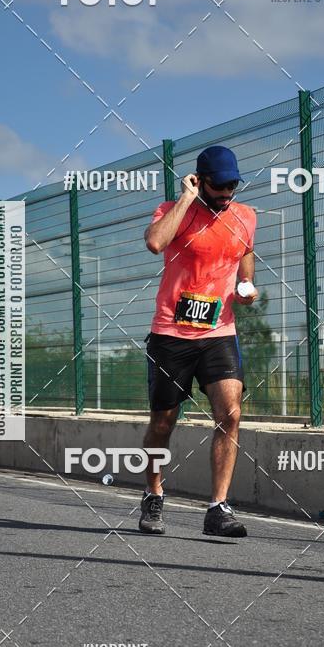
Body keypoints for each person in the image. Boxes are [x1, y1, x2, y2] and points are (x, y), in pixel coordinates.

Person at [141, 145, 258, 537]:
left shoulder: (245, 216)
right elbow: (155, 242)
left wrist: (245, 284)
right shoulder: (172, 210)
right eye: (219, 186)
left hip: (218, 332)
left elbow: (244, 253)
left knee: (231, 413)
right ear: (200, 180)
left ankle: (217, 508)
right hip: (171, 334)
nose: (227, 194)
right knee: (163, 422)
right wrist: (187, 199)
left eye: (233, 186)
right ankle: (153, 494)